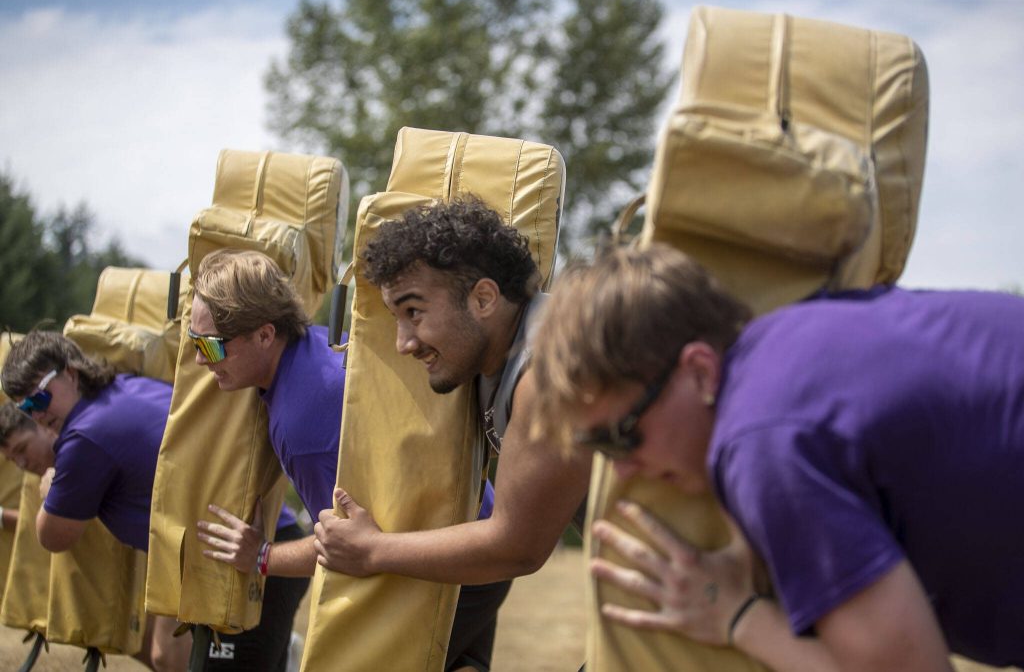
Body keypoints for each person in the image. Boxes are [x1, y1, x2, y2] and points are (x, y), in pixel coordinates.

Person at [527, 244, 1024, 671]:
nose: (621, 470)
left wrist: (739, 617)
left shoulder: (759, 443)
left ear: (699, 372)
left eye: (621, 436)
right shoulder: (795, 337)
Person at [189, 247, 506, 671]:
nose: (198, 360)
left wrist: (260, 557)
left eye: (210, 347)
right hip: (471, 536)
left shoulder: (300, 422)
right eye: (193, 342)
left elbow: (339, 545)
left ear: (265, 335)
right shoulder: (317, 346)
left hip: (454, 563)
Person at [312, 198, 592, 669]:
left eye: (414, 311)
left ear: (483, 299)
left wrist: (372, 550)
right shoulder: (493, 357)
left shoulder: (546, 369)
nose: (403, 343)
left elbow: (517, 547)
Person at [0, 331, 190, 671]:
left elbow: (53, 536)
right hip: (220, 549)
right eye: (26, 409)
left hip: (233, 555)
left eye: (39, 399)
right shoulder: (125, 386)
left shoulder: (83, 435)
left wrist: (48, 490)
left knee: (169, 656)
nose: (37, 414)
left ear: (70, 373)